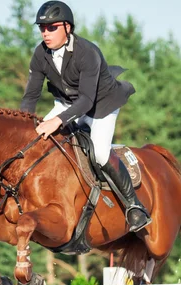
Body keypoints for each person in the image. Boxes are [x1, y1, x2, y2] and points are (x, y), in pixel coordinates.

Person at [21, 1, 152, 233]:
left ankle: (134, 206)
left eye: (52, 27)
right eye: (42, 28)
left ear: (67, 27)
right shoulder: (40, 53)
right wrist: (23, 125)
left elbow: (86, 101)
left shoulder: (87, 52)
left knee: (100, 153)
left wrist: (56, 120)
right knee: (34, 141)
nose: (45, 32)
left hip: (100, 106)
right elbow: (31, 95)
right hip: (67, 103)